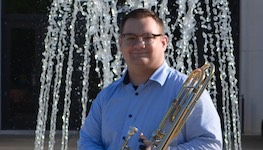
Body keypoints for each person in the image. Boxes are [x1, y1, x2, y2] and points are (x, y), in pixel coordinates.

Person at [78, 8, 222, 150]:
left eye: (148, 37)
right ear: (121, 43)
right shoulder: (106, 96)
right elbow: (88, 140)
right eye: (131, 38)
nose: (139, 45)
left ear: (164, 42)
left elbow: (211, 144)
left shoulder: (189, 91)